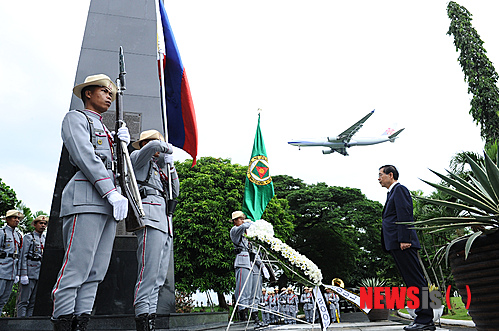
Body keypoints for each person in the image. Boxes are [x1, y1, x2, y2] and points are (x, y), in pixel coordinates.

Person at [51, 74, 130, 331]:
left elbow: (119, 168)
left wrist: (125, 147)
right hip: (86, 199)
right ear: (88, 93)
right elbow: (86, 157)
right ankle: (62, 320)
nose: (109, 96)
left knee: (96, 271)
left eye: (112, 93)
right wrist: (109, 191)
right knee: (77, 267)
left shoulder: (108, 131)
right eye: (104, 91)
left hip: (108, 206)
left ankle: (81, 320)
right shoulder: (76, 118)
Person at [130, 129, 179, 331]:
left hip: (164, 220)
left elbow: (175, 192)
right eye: (154, 143)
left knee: (158, 277)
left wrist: (171, 165)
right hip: (149, 216)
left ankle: (150, 318)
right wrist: (164, 145)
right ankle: (142, 317)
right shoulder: (137, 158)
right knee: (147, 272)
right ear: (144, 144)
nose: (158, 149)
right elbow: (153, 147)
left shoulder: (160, 168)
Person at [379, 165, 434, 331]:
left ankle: (426, 320)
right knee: (412, 281)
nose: (379, 178)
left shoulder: (400, 190)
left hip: (403, 243)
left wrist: (405, 239)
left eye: (381, 175)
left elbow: (405, 213)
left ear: (391, 175)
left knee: (417, 281)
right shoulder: (392, 193)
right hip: (395, 244)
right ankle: (421, 318)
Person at [17, 215, 48, 317]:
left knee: (33, 302)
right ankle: (20, 323)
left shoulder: (45, 239)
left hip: (39, 273)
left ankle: (28, 322)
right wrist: (23, 274)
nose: (43, 225)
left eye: (44, 224)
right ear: (35, 225)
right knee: (23, 301)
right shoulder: (28, 237)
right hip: (29, 272)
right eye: (40, 223)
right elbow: (23, 256)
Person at [0, 209, 23, 315]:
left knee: (3, 300)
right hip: (1, 270)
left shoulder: (18, 235)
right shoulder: (2, 232)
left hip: (12, 271)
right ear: (7, 220)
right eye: (14, 218)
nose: (17, 220)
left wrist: (18, 273)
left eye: (18, 218)